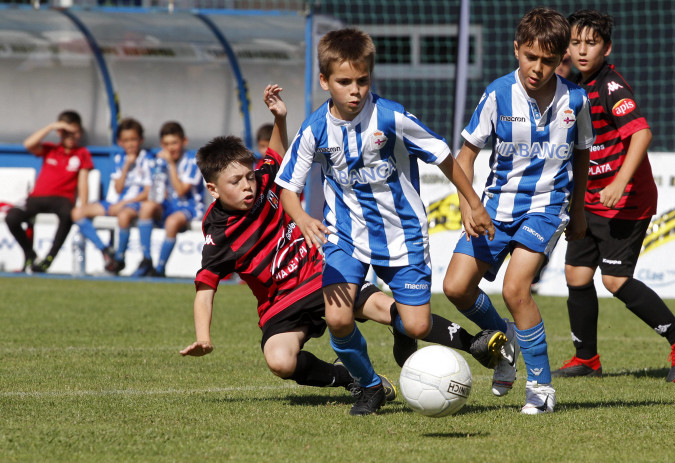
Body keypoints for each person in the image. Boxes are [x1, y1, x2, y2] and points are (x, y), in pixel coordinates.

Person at [182, 85, 504, 409]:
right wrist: (204, 336)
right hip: (280, 304)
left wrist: (280, 119)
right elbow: (205, 288)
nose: (247, 185)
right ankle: (350, 378)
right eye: (235, 182)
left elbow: (275, 156)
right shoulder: (219, 233)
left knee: (394, 313)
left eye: (247, 177)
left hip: (322, 273)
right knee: (279, 360)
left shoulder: (265, 182)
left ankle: (473, 342)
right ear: (212, 189)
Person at [275, 28, 497, 416]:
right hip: (344, 237)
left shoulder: (391, 116)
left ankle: (403, 330)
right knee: (338, 318)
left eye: (362, 80)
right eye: (344, 82)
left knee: (414, 325)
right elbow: (287, 189)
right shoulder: (314, 129)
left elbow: (444, 156)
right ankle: (371, 386)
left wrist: (472, 202)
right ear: (325, 81)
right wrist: (303, 218)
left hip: (403, 235)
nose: (355, 90)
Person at [442, 7, 594, 415]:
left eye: (547, 60)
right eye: (530, 57)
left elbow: (581, 156)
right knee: (456, 287)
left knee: (515, 289)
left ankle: (541, 388)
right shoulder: (497, 94)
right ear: (517, 51)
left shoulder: (576, 101)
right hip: (495, 208)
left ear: (560, 57)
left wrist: (577, 210)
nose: (537, 68)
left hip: (546, 209)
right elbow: (465, 155)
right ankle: (502, 335)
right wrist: (467, 206)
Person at [554, 9, 675, 383]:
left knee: (615, 281)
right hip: (589, 202)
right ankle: (586, 359)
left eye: (591, 43)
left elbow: (641, 134)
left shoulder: (610, 86)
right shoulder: (577, 85)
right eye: (575, 43)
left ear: (607, 48)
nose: (582, 50)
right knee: (576, 275)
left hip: (625, 202)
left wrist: (620, 182)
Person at [6, 110, 94, 273]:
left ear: (79, 132)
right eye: (66, 132)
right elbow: (28, 144)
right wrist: (52, 126)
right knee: (12, 216)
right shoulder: (51, 149)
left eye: (74, 132)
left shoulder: (82, 154)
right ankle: (30, 254)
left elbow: (83, 182)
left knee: (67, 214)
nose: (71, 137)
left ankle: (49, 258)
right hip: (37, 198)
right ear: (60, 132)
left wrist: (84, 206)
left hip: (62, 199)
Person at [71, 117, 151, 274]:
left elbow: (147, 192)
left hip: (134, 204)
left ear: (140, 140)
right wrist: (127, 165)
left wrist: (123, 204)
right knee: (77, 212)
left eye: (133, 139)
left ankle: (120, 258)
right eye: (126, 140)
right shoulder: (119, 159)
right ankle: (106, 250)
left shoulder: (147, 160)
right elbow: (118, 188)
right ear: (120, 142)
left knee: (123, 216)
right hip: (116, 202)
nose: (130, 144)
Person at [132, 121, 205, 277]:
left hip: (190, 207)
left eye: (174, 143)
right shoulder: (159, 161)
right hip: (169, 206)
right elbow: (157, 193)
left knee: (172, 222)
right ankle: (146, 259)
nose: (170, 148)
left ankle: (159, 269)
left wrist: (170, 165)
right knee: (146, 207)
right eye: (166, 144)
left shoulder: (193, 160)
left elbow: (180, 191)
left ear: (183, 142)